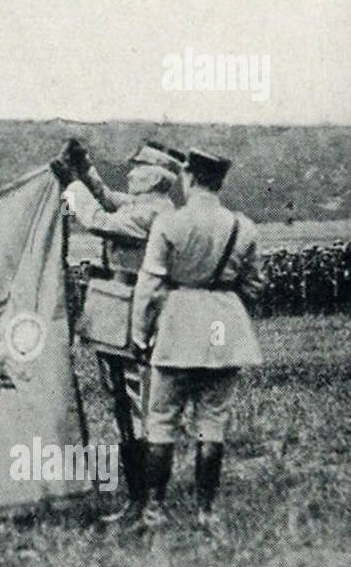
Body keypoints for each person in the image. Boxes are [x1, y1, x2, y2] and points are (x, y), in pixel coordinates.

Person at [131, 149, 264, 537]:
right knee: (212, 424)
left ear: (188, 178)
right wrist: (225, 307)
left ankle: (154, 511)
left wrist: (141, 334)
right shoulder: (243, 227)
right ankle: (207, 513)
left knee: (161, 422)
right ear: (219, 182)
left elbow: (150, 286)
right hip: (225, 331)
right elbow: (254, 285)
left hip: (177, 330)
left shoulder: (170, 224)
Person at [51, 137, 182, 523]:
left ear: (156, 177)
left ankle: (142, 499)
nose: (131, 173)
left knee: (131, 407)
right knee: (127, 405)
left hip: (127, 316)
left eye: (138, 168)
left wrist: (71, 185)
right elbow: (108, 199)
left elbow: (99, 220)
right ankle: (141, 498)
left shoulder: (149, 214)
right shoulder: (153, 207)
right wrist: (85, 170)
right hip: (121, 312)